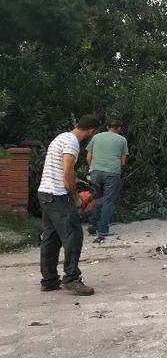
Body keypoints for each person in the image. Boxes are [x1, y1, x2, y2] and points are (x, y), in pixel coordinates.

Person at [38, 114, 101, 295]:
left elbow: (62, 170)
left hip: (45, 192)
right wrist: (76, 198)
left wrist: (77, 181)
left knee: (51, 237)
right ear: (91, 131)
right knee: (74, 234)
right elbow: (67, 173)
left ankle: (49, 280)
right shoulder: (72, 142)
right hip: (57, 194)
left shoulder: (61, 137)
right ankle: (71, 279)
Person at [86, 118, 129, 242]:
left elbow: (88, 157)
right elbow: (123, 161)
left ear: (107, 127)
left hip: (95, 172)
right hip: (112, 172)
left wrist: (93, 168)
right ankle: (103, 229)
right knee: (108, 201)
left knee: (96, 198)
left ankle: (92, 225)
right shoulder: (122, 140)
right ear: (119, 128)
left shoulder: (96, 137)